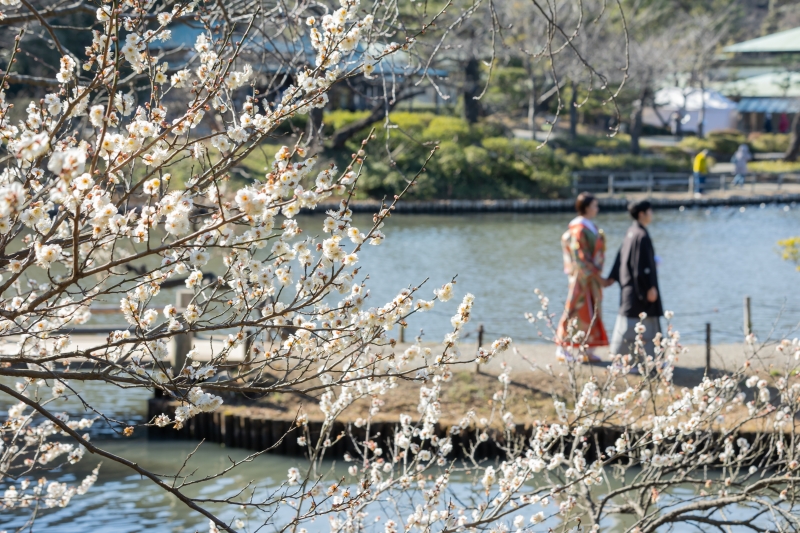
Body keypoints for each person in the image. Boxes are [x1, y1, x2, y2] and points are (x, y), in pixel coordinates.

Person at [555, 192, 614, 363]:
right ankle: (562, 348)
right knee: (575, 310)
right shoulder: (579, 228)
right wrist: (597, 276)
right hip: (582, 278)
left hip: (590, 278)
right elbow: (580, 256)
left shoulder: (587, 226)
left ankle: (585, 350)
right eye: (595, 205)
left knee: (590, 312)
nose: (597, 208)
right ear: (587, 207)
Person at [608, 200, 664, 370]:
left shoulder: (631, 232)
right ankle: (633, 361)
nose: (651, 214)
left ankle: (641, 360)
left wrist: (612, 277)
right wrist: (650, 287)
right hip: (640, 289)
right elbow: (642, 265)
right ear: (642, 214)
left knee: (636, 325)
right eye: (649, 211)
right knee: (635, 326)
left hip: (630, 288)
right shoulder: (641, 235)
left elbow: (620, 259)